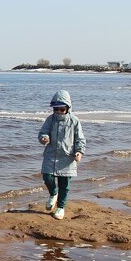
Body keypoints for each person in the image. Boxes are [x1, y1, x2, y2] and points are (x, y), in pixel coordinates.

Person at [38, 89, 86, 220]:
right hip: (51, 154)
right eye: (56, 109)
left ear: (68, 108)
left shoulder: (74, 121)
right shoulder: (50, 119)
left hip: (67, 156)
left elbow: (80, 139)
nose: (59, 111)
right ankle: (53, 193)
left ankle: (61, 207)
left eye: (62, 109)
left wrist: (79, 151)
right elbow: (43, 132)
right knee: (47, 177)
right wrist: (44, 138)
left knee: (64, 184)